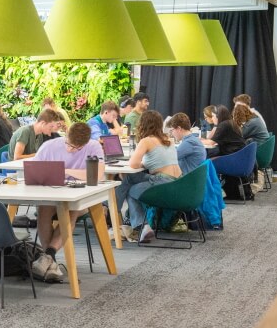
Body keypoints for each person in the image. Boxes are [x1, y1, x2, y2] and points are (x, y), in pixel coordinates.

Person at [30, 123, 105, 282]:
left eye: (77, 148)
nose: (71, 150)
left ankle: (48, 257)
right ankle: (50, 261)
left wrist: (65, 171)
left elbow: (97, 175)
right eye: (69, 144)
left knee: (70, 209)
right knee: (43, 209)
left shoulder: (94, 147)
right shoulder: (49, 146)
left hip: (79, 199)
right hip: (51, 193)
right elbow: (34, 170)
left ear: (85, 144)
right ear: (65, 136)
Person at [115, 111, 182, 243]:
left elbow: (133, 164)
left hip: (162, 183)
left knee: (129, 189)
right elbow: (158, 161)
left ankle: (115, 214)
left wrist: (141, 162)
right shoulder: (168, 139)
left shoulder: (146, 141)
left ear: (143, 124)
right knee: (129, 179)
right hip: (177, 183)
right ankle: (116, 214)